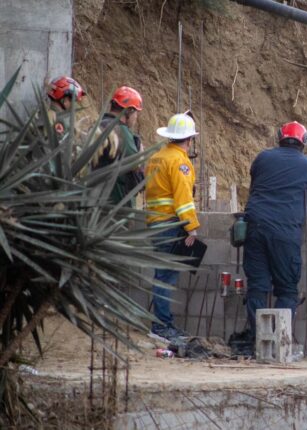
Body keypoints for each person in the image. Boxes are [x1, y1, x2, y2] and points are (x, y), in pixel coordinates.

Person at [241, 121, 307, 350]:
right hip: (285, 232)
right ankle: (280, 344)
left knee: (258, 287)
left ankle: (257, 341)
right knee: (287, 290)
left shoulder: (262, 158)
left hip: (255, 227)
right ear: (304, 142)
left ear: (279, 138)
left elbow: (255, 187)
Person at [144, 112, 201, 342]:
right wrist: (191, 227)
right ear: (189, 139)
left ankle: (160, 323)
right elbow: (183, 198)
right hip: (170, 224)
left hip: (155, 222)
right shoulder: (180, 162)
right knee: (166, 277)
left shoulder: (157, 156)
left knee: (161, 275)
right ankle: (162, 326)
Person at [91, 86, 145, 206]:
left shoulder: (98, 125)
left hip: (94, 202)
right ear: (128, 111)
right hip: (117, 205)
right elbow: (135, 164)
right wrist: (140, 152)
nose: (136, 117)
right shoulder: (121, 131)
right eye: (136, 112)